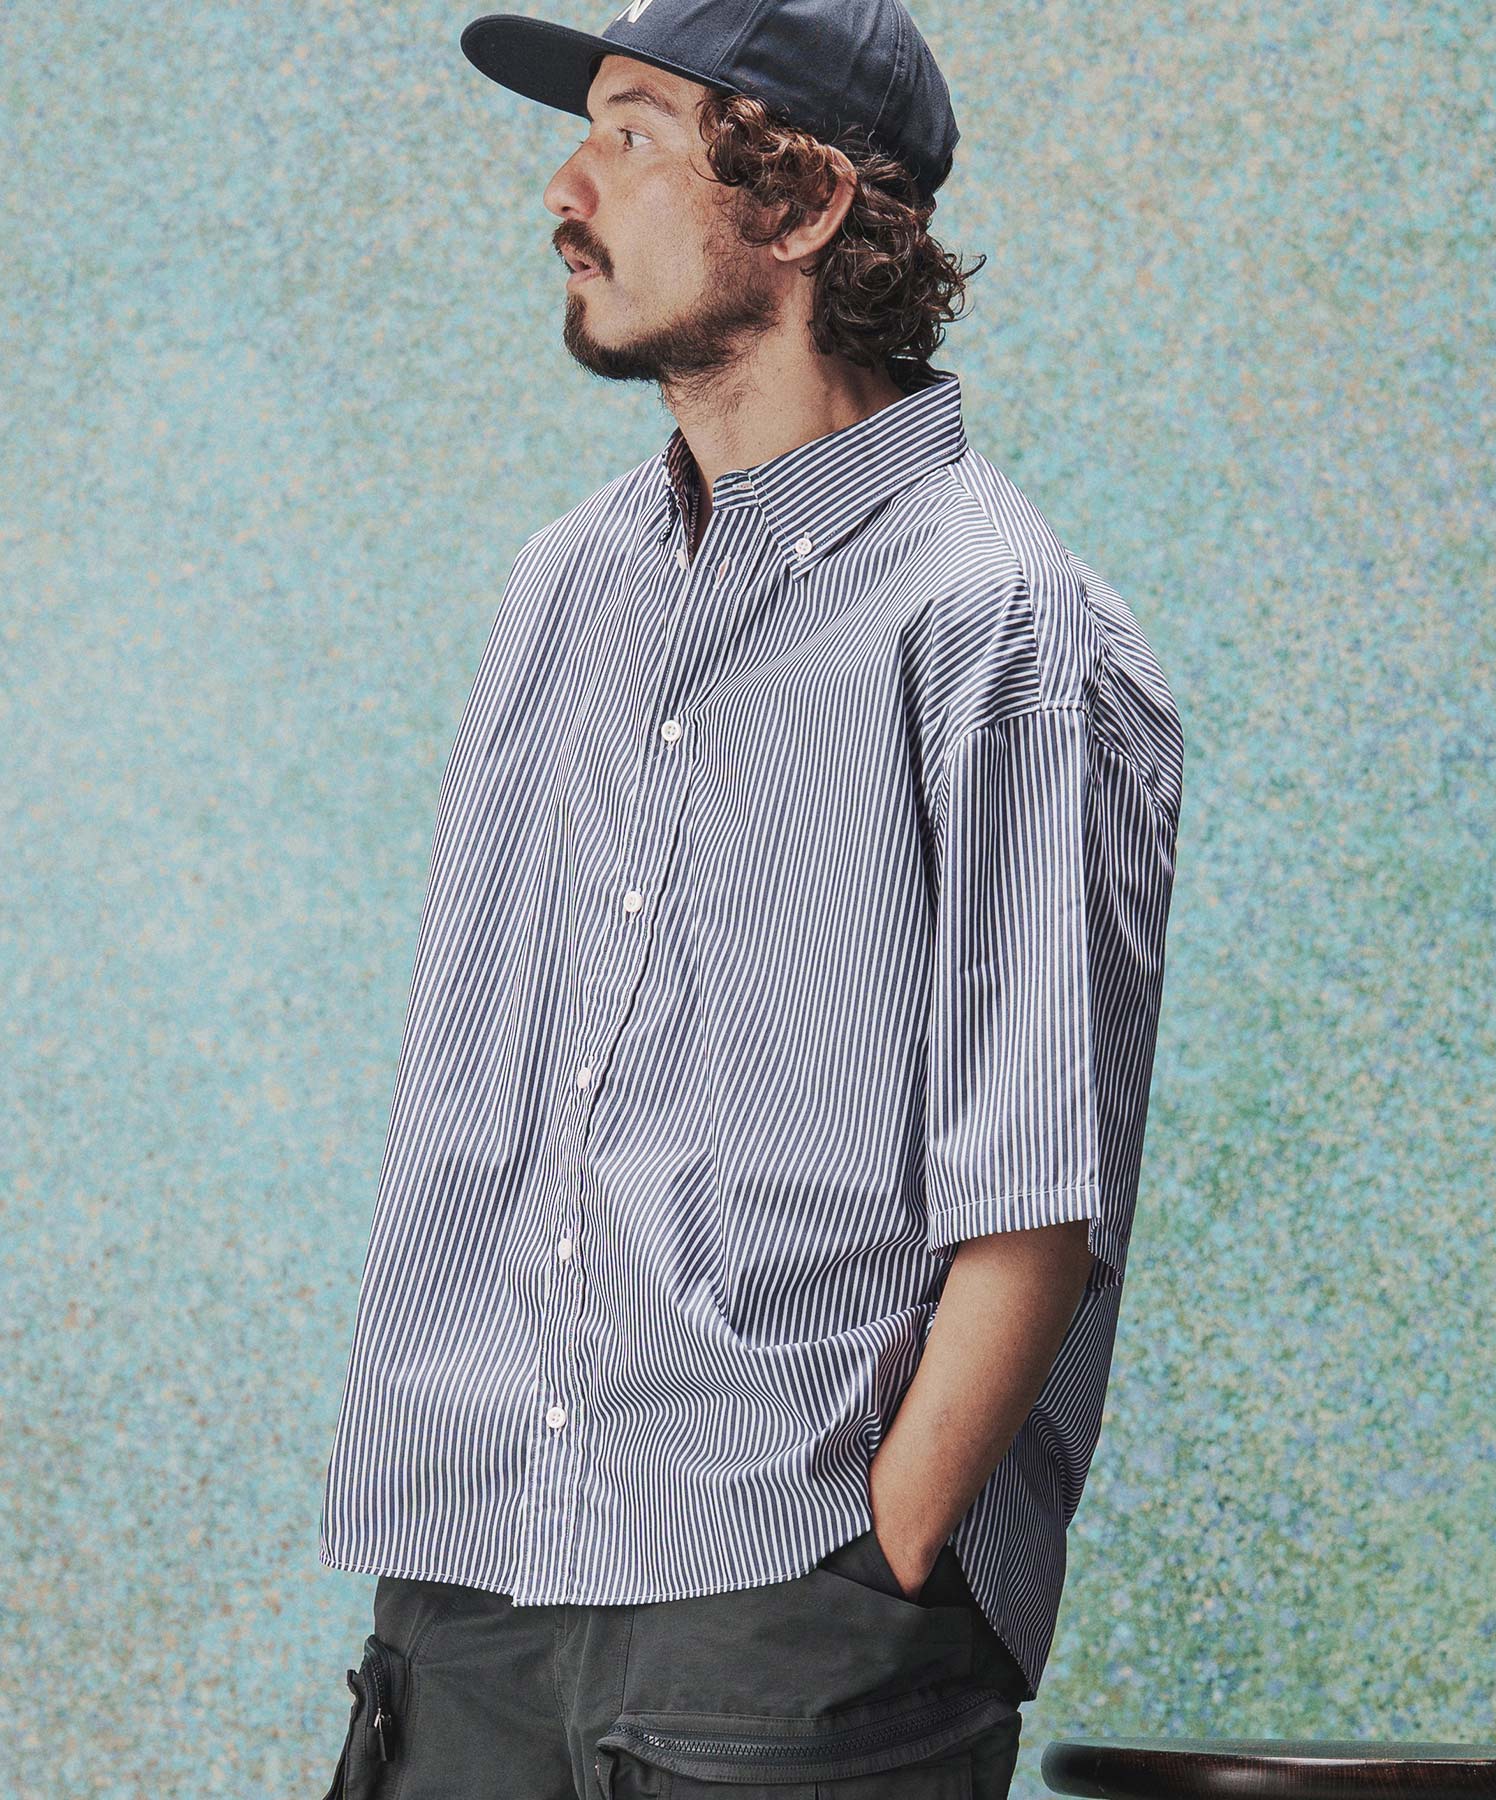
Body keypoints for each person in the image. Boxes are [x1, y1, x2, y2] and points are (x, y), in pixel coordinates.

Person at [315, 2, 1184, 1796]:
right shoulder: (566, 584)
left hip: (788, 1599)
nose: (566, 188)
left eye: (634, 134)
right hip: (472, 1575)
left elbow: (1039, 1191)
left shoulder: (997, 624)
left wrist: (886, 1542)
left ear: (798, 203)